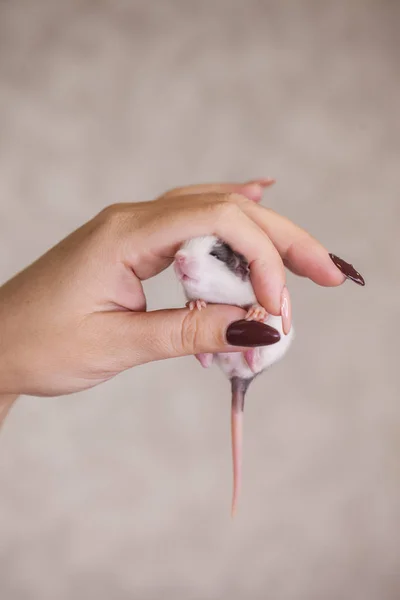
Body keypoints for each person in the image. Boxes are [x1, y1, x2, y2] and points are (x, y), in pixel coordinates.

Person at [0, 179, 363, 425]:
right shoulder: (208, 282)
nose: (183, 260)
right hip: (230, 346)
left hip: (254, 352)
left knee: (273, 334)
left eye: (212, 257)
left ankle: (241, 354)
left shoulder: (247, 283)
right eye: (184, 253)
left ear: (239, 268)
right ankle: (216, 349)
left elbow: (264, 305)